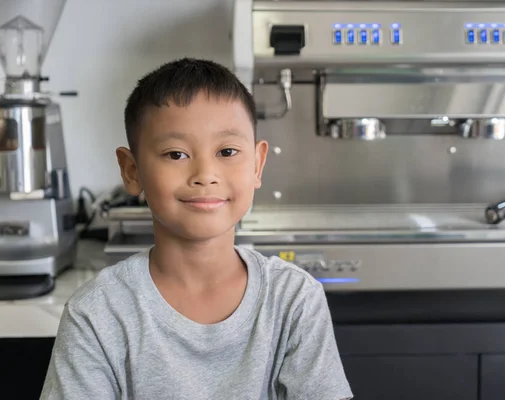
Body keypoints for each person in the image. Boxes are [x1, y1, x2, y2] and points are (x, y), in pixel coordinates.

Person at [40, 58, 353, 399]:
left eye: (227, 151)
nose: (205, 174)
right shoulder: (97, 313)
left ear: (257, 164)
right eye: (176, 154)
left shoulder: (294, 300)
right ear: (132, 171)